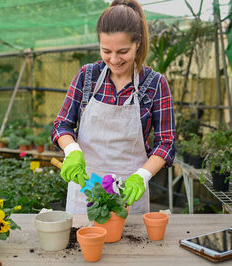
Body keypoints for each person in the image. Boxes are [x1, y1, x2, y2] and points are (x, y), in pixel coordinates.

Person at [52, 0, 176, 215]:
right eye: (106, 51)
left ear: (138, 43)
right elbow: (62, 124)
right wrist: (71, 150)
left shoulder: (155, 84)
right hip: (85, 189)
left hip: (130, 192)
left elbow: (166, 142)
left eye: (123, 51)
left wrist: (142, 176)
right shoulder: (86, 76)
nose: (114, 59)